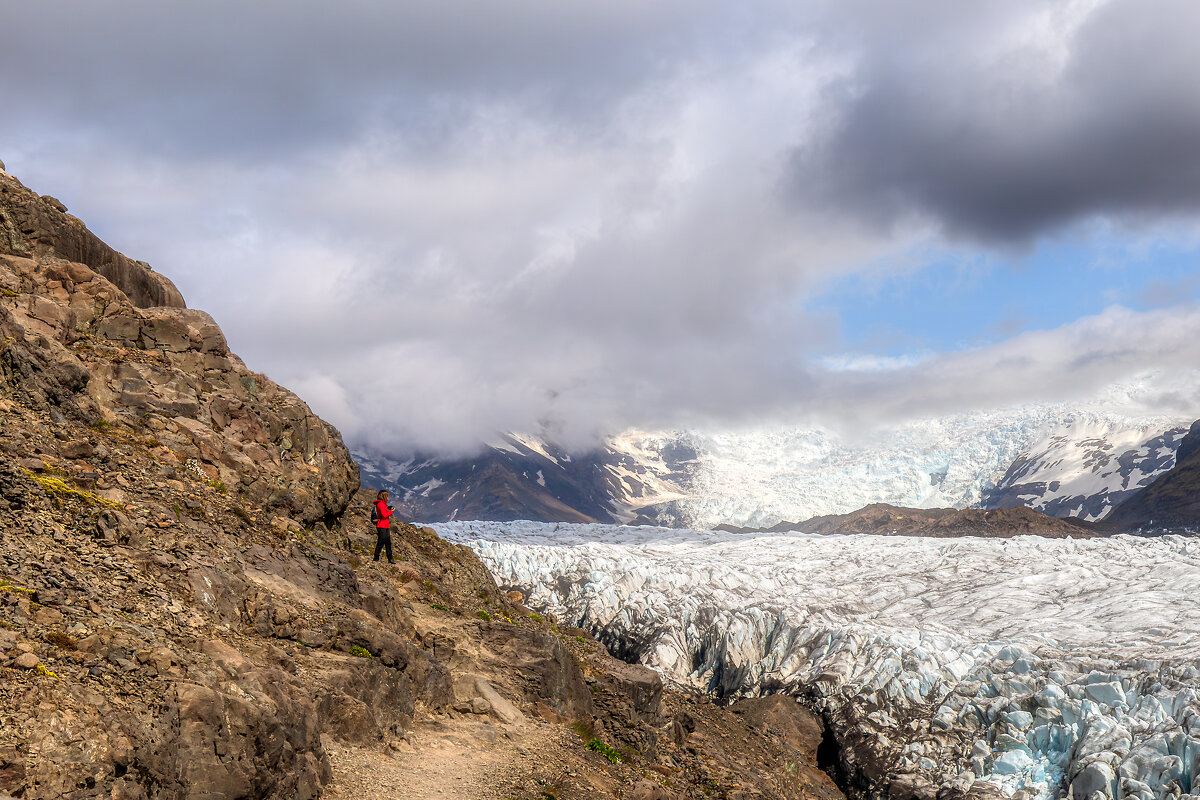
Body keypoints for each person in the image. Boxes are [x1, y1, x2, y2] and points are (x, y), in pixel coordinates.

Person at [372, 490, 395, 563]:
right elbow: (384, 515)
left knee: (388, 542)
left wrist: (388, 508)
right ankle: (376, 557)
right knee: (381, 542)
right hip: (381, 526)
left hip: (385, 526)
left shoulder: (382, 504)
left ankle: (390, 558)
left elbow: (383, 511)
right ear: (384, 497)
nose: (388, 498)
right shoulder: (380, 504)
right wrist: (391, 512)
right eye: (387, 496)